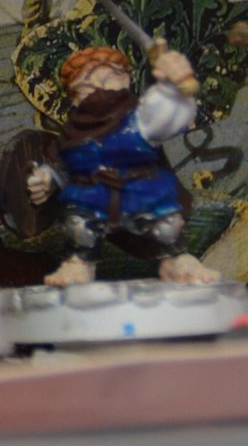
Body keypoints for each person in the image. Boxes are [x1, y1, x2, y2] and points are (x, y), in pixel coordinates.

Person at [23, 45, 219, 287]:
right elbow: (60, 164)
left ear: (126, 79)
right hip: (93, 194)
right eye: (86, 86)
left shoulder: (142, 117)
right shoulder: (72, 133)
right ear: (74, 98)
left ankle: (176, 258)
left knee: (165, 223)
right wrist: (45, 178)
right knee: (78, 223)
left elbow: (172, 115)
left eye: (108, 79)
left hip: (141, 188)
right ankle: (79, 265)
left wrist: (174, 85)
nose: (100, 89)